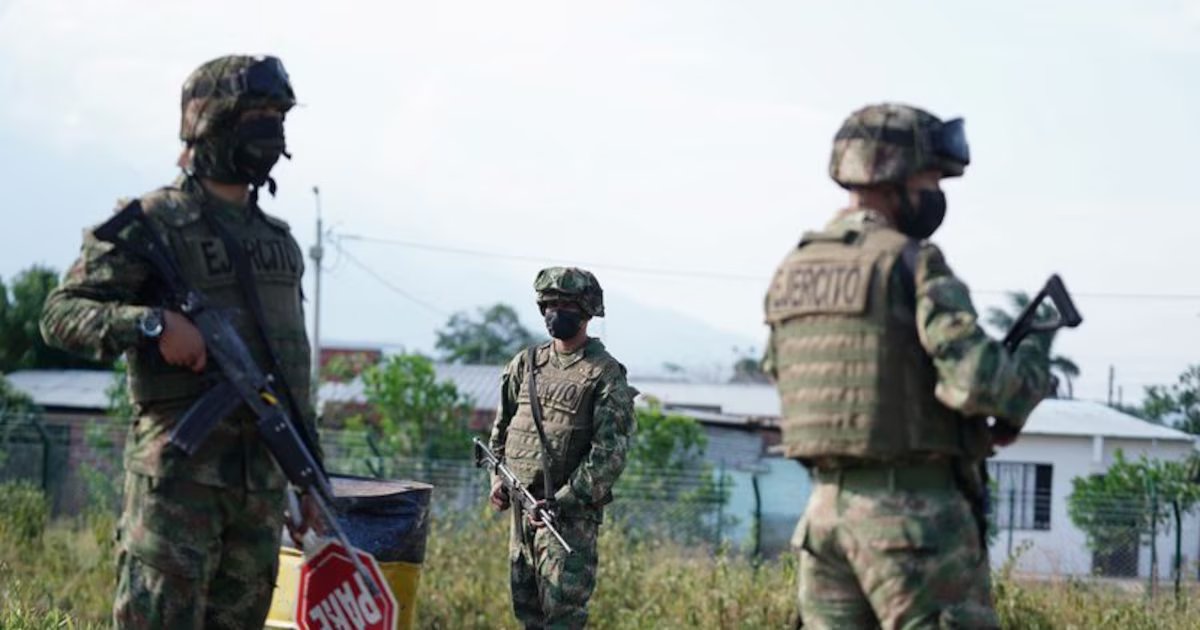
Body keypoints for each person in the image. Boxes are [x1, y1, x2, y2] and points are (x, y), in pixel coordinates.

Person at [40, 54, 322, 629]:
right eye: (255, 114)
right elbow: (60, 314)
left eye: (278, 115)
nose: (271, 128)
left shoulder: (279, 242)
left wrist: (309, 474)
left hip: (260, 488)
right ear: (210, 122)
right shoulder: (152, 223)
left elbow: (292, 371)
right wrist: (151, 325)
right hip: (178, 487)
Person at [762, 103, 1056, 629]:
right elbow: (983, 382)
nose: (937, 192)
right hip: (912, 523)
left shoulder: (793, 269)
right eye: (932, 177)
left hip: (823, 518)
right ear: (894, 175)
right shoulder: (911, 261)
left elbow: (782, 374)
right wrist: (1034, 361)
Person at [487, 267, 638, 629]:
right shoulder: (526, 364)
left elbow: (609, 455)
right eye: (550, 303)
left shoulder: (604, 374)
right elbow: (501, 431)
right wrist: (497, 480)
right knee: (528, 615)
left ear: (586, 311)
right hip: (522, 513)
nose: (556, 311)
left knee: (563, 618)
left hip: (566, 520)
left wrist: (562, 500)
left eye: (566, 304)